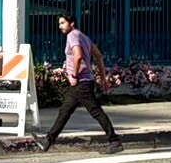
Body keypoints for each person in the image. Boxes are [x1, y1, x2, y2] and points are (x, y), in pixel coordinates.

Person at [40, 14, 122, 153]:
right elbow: (99, 56)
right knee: (65, 111)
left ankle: (114, 141)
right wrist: (102, 79)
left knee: (95, 111)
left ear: (71, 23)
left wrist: (74, 75)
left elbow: (77, 56)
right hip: (83, 82)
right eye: (59, 23)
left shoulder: (72, 35)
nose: (60, 26)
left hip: (81, 82)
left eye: (62, 23)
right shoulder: (84, 36)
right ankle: (48, 141)